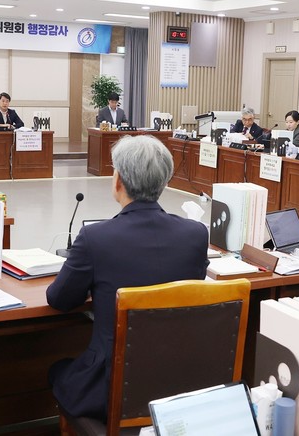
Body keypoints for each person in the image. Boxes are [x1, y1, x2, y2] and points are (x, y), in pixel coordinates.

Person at [46, 135, 209, 420]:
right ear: (164, 181)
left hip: (111, 389)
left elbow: (59, 299)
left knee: (56, 370)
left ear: (118, 180)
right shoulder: (195, 234)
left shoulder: (95, 238)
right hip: (178, 383)